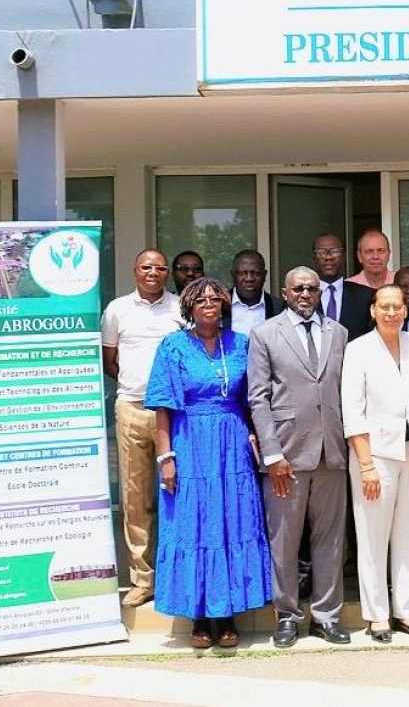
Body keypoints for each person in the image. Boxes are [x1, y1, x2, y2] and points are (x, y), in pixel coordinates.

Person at [145, 278, 272, 648]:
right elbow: (162, 406)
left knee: (231, 521)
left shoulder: (241, 344)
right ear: (189, 306)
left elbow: (253, 398)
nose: (209, 305)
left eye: (215, 299)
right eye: (200, 300)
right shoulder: (173, 346)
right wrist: (166, 457)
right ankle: (199, 617)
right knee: (195, 523)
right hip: (189, 442)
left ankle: (227, 614)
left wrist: (255, 436)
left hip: (232, 442)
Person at [247, 266, 351, 649]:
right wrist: (272, 453)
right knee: (285, 541)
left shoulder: (339, 332)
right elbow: (258, 398)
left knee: (331, 541)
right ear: (286, 292)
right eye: (299, 289)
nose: (306, 294)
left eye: (312, 289)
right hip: (286, 455)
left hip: (331, 451)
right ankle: (287, 616)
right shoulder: (264, 333)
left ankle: (327, 616)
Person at [341, 284, 409, 642]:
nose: (391, 312)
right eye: (384, 306)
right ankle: (377, 615)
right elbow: (352, 410)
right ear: (372, 310)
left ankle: (407, 612)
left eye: (397, 306)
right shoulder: (357, 349)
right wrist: (366, 464)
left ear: (405, 310)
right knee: (373, 536)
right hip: (375, 456)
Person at [101, 249, 184, 607]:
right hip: (133, 408)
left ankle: (176, 575)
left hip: (175, 413)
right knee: (136, 498)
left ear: (167, 273)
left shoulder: (180, 308)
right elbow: (109, 360)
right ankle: (142, 579)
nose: (153, 273)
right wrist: (137, 386)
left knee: (177, 492)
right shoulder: (117, 309)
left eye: (159, 268)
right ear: (135, 271)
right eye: (146, 267)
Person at [312, 234, 372, 341]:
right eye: (321, 252)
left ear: (344, 257)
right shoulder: (302, 297)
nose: (329, 257)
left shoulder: (366, 296)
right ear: (314, 258)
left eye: (335, 251)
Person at [228, 249, 282, 335]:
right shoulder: (219, 304)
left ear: (264, 275)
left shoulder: (279, 308)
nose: (249, 279)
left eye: (256, 273)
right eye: (242, 273)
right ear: (233, 275)